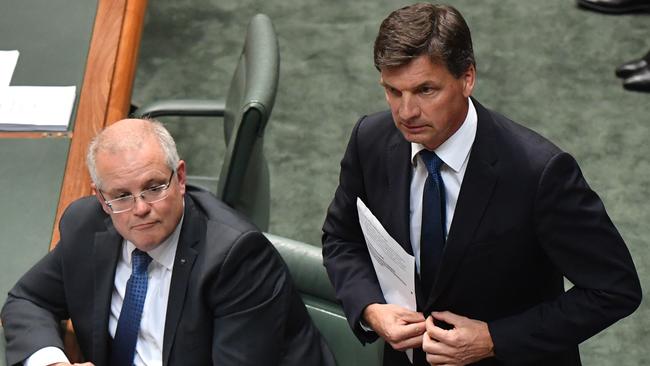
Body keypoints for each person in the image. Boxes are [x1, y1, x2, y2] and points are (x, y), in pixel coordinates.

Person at [321, 3, 642, 366]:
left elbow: (614, 289)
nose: (406, 112)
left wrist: (494, 339)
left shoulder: (540, 173)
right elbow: (341, 238)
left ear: (467, 78)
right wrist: (371, 308)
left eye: (426, 90)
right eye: (393, 91)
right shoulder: (370, 139)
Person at [2, 119, 335, 366]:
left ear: (180, 178)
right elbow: (27, 301)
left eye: (154, 187)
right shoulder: (86, 225)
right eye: (121, 196)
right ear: (101, 199)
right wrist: (53, 363)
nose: (141, 208)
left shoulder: (236, 258)